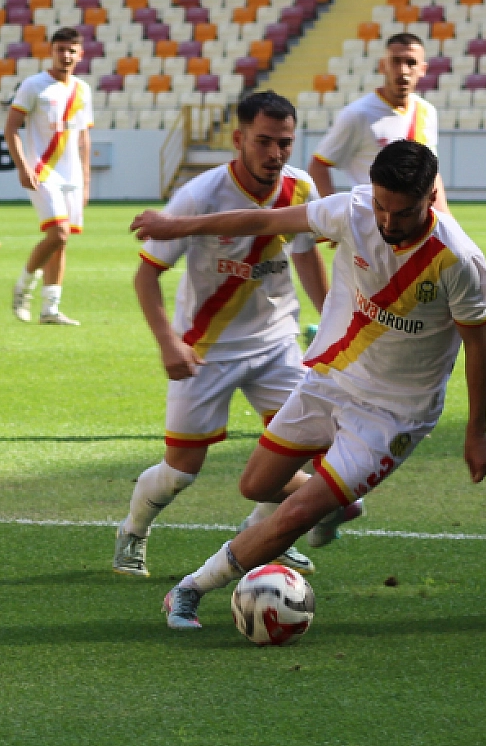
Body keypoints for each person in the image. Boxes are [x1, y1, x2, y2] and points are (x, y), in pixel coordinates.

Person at [131, 140, 486, 631]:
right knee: (256, 485)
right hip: (329, 381)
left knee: (295, 513)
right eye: (382, 207)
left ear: (432, 197)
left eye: (403, 212)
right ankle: (333, 503)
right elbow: (264, 222)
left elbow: (478, 347)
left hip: (392, 414)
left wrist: (477, 432)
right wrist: (177, 226)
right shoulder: (353, 210)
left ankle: (189, 590)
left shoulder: (459, 262)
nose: (388, 222)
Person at [116, 90, 331, 580]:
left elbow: (306, 257)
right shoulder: (200, 195)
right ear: (238, 139)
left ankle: (264, 534)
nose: (275, 154)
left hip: (277, 345)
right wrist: (168, 343)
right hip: (205, 350)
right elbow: (146, 276)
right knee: (180, 472)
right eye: (263, 141)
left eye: (284, 143)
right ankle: (133, 530)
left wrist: (333, 325)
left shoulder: (300, 188)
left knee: (307, 450)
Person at [5, 27, 92, 326]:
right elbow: (11, 128)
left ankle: (50, 310)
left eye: (71, 51)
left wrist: (86, 181)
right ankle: (23, 288)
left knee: (61, 242)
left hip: (72, 176)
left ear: (80, 55)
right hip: (42, 172)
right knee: (59, 234)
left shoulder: (83, 89)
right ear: (51, 52)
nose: (65, 55)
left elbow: (84, 138)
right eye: (60, 50)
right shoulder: (34, 85)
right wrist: (22, 166)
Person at [310, 32, 448, 210]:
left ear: (423, 69)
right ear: (383, 66)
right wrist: (335, 212)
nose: (403, 70)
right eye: (395, 61)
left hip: (413, 219)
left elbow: (431, 173)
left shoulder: (427, 111)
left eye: (411, 62)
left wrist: (445, 216)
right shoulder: (358, 114)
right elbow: (318, 166)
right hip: (372, 219)